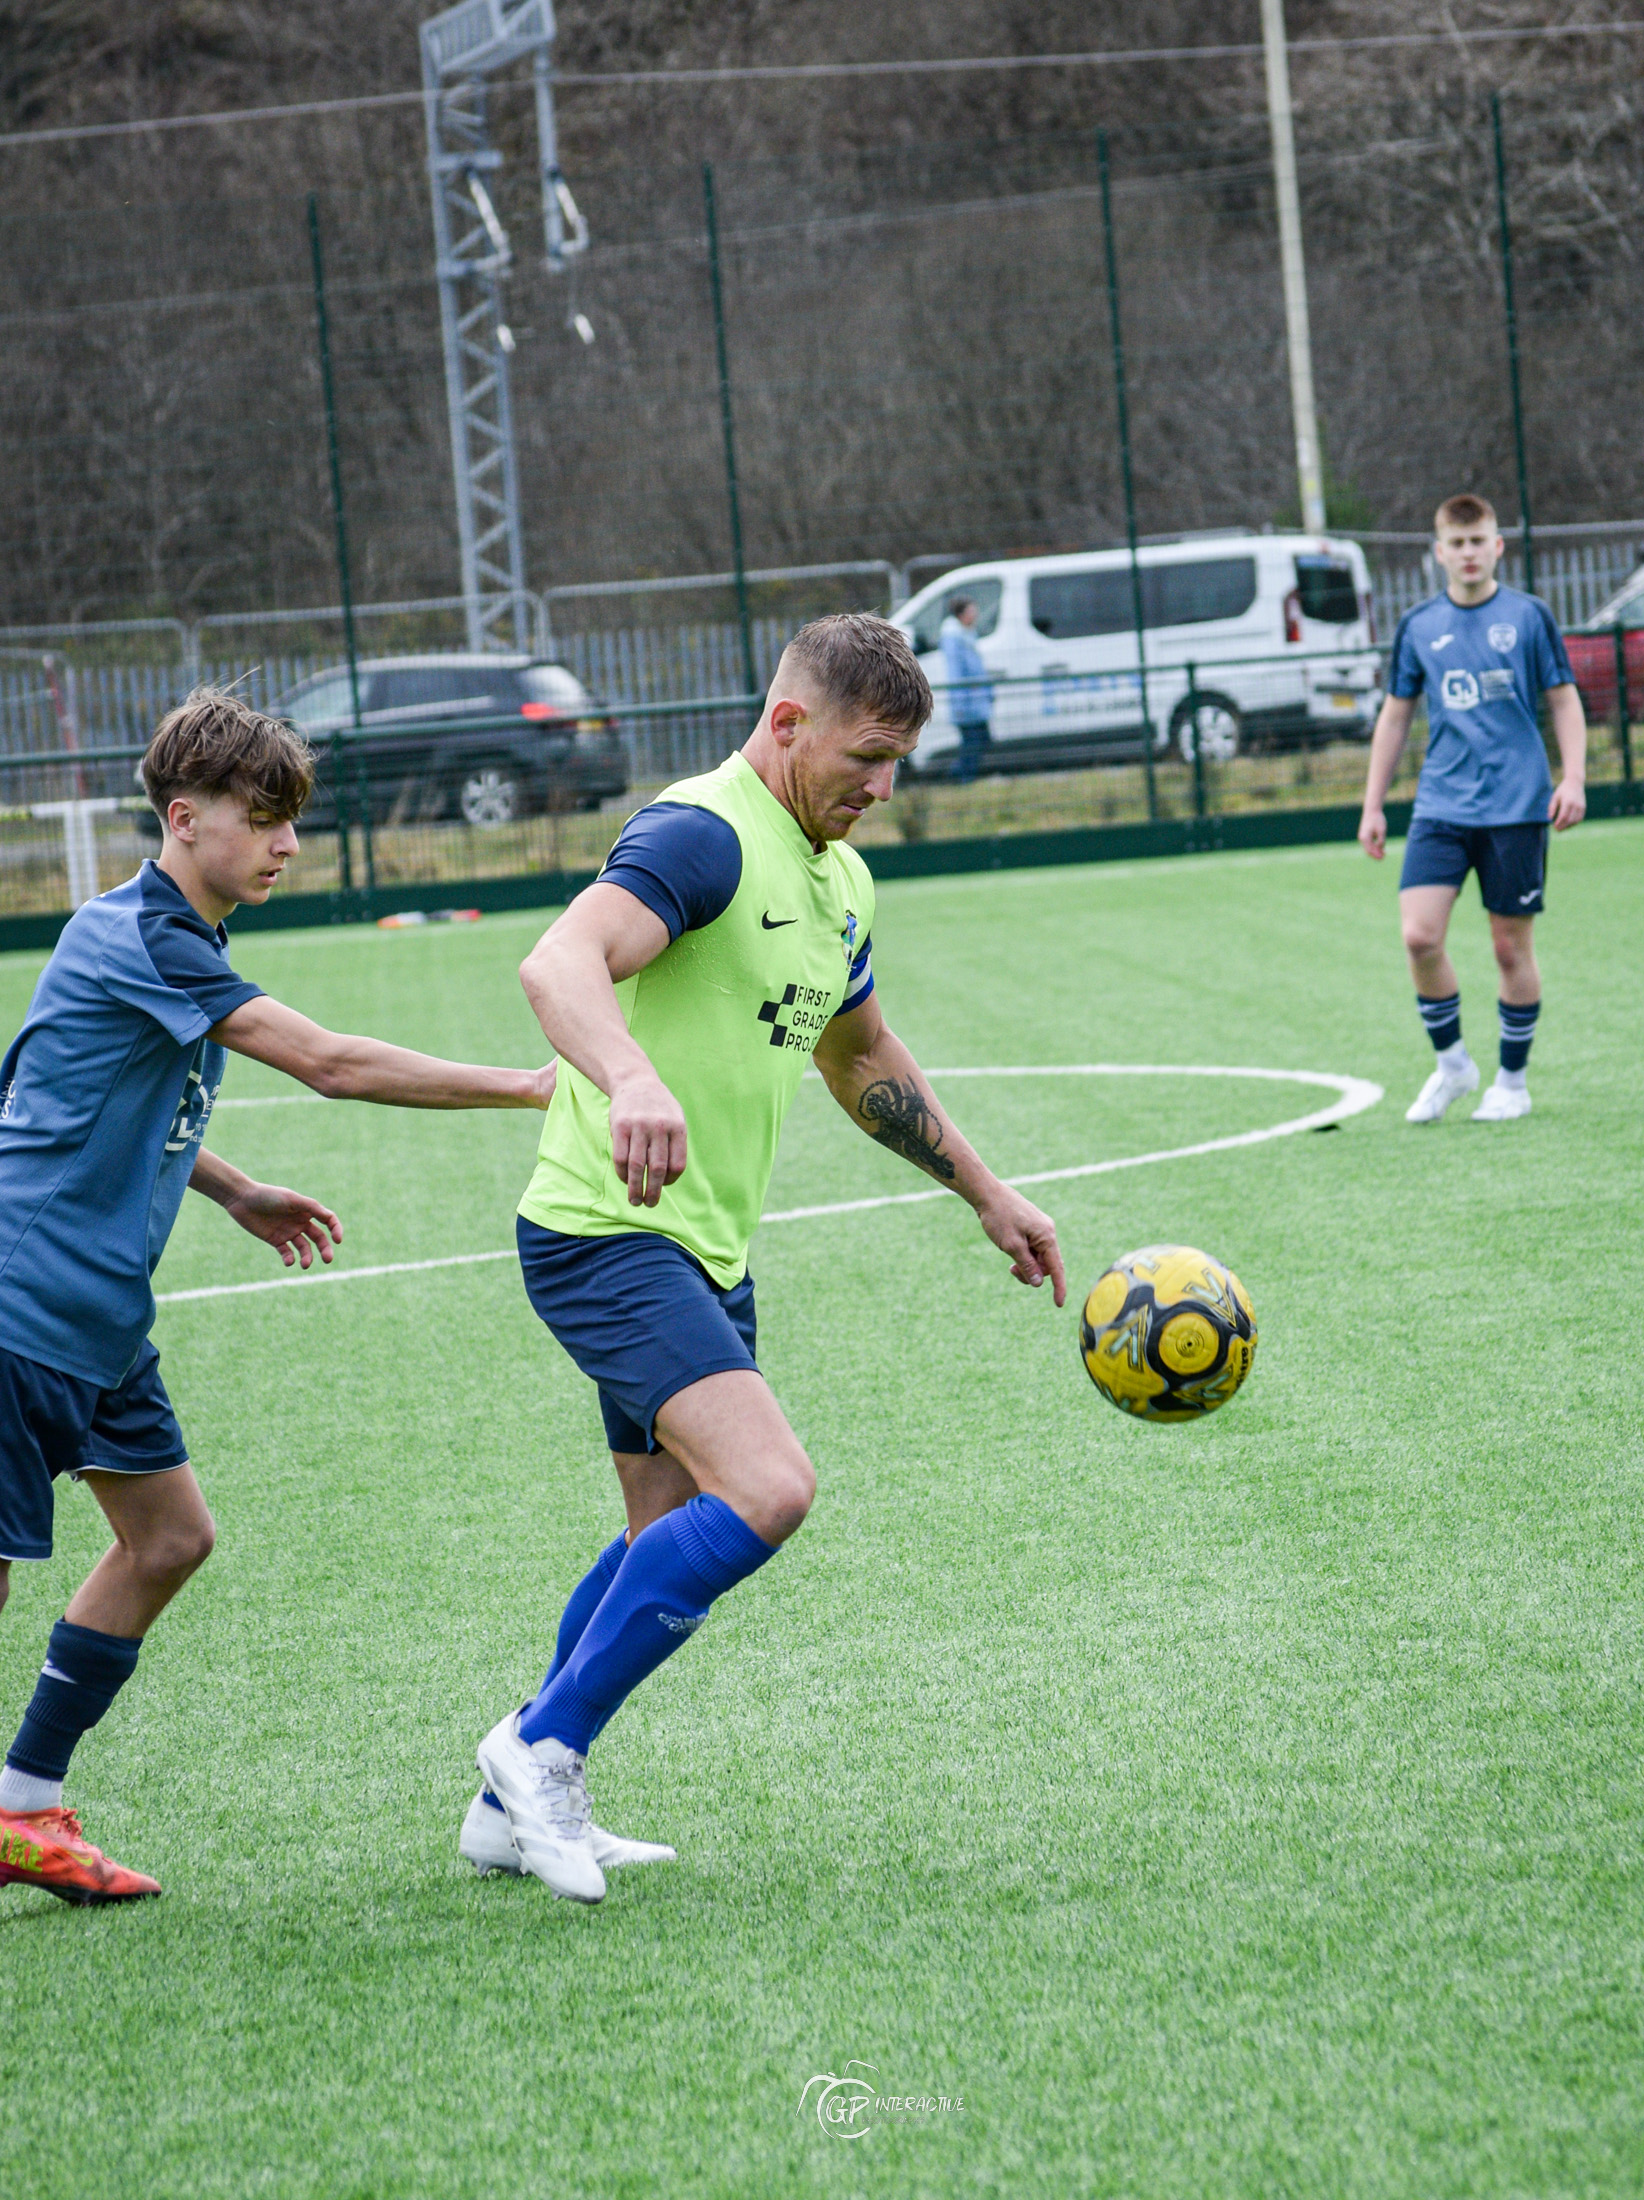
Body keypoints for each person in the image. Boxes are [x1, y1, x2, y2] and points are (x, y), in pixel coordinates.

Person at [466, 613, 1065, 1904]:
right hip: (606, 1233)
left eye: (900, 761)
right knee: (771, 1488)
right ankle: (538, 1748)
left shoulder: (839, 874)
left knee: (663, 1535)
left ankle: (503, 1805)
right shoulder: (705, 834)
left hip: (702, 1245)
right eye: (865, 755)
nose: (883, 787)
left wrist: (985, 1190)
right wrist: (627, 1073)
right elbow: (557, 958)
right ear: (788, 724)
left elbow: (860, 1060)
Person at [0, 691, 553, 1905]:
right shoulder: (137, 933)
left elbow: (94, 1101)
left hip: (97, 1320)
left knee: (170, 1539)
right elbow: (331, 1064)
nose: (287, 846)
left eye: (291, 822)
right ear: (185, 819)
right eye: (265, 821)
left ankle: (24, 1805)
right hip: (17, 1308)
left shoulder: (173, 940)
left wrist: (233, 1184)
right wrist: (528, 1085)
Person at [1358, 493, 1587, 1123]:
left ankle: (1512, 1082)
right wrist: (1373, 804)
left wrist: (1574, 778)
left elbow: (1563, 700)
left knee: (1510, 949)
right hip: (1441, 804)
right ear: (1438, 552)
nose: (1467, 553)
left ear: (1497, 546)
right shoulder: (1419, 625)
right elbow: (1397, 716)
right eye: (1456, 543)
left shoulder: (1529, 616)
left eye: (1477, 541)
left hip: (1516, 805)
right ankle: (1454, 1065)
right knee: (1419, 935)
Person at [937, 594, 995, 782]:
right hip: (967, 702)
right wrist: (960, 705)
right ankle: (961, 777)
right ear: (962, 614)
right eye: (971, 610)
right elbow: (956, 673)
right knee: (973, 742)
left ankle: (959, 775)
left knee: (981, 740)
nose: (975, 614)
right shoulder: (955, 639)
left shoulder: (966, 635)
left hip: (976, 700)